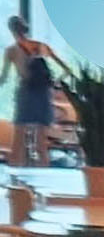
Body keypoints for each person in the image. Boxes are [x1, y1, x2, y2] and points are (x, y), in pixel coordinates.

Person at [5, 16, 57, 167]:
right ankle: (45, 174)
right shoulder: (40, 46)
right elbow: (66, 69)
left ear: (11, 30)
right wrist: (55, 82)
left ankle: (15, 177)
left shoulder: (11, 51)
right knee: (41, 144)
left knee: (18, 142)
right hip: (43, 94)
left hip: (26, 92)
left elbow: (4, 77)